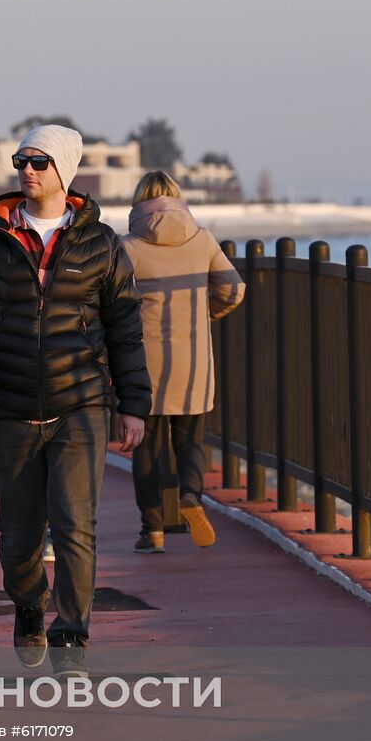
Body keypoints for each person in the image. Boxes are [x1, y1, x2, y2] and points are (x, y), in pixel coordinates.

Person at [0, 124, 151, 673]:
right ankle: (30, 606)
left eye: (38, 161)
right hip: (11, 406)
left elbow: (125, 329)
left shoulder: (101, 244)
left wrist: (134, 403)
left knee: (76, 523)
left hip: (81, 405)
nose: (26, 170)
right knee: (18, 533)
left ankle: (72, 635)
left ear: (64, 171)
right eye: (21, 160)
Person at [121, 171, 245, 553]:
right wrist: (206, 314)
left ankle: (153, 530)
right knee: (191, 440)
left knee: (147, 448)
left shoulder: (127, 246)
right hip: (192, 362)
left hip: (143, 365)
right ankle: (191, 493)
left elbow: (110, 300)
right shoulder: (202, 240)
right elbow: (234, 289)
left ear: (139, 201)